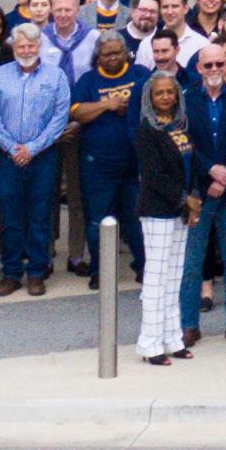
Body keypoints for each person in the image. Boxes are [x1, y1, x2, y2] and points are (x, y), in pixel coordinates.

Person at [0, 18, 71, 296]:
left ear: (39, 45)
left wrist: (32, 148)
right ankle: (11, 273)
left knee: (40, 215)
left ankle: (36, 272)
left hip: (42, 157)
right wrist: (13, 148)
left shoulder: (56, 77)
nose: (26, 50)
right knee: (10, 216)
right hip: (7, 157)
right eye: (21, 46)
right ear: (14, 47)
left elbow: (60, 118)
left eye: (31, 45)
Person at [177, 39, 226, 347]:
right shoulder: (185, 100)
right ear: (198, 68)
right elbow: (184, 143)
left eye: (219, 63)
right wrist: (211, 170)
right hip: (198, 192)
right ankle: (188, 325)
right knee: (192, 264)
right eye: (207, 65)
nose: (214, 69)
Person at [68, 31, 143, 293]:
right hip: (98, 166)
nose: (112, 58)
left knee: (136, 220)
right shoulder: (89, 80)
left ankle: (143, 267)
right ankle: (100, 270)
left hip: (134, 164)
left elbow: (153, 103)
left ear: (126, 53)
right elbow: (76, 111)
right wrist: (107, 105)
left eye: (117, 53)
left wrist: (130, 105)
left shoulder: (140, 75)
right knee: (97, 221)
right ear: (98, 56)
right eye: (107, 54)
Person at [133, 69, 198, 364]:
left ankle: (172, 338)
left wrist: (193, 198)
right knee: (156, 278)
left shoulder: (181, 125)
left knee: (174, 277)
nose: (165, 97)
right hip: (157, 210)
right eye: (159, 92)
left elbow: (191, 164)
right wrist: (185, 199)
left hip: (181, 211)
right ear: (149, 96)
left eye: (170, 92)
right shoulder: (146, 129)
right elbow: (153, 175)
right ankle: (150, 344)